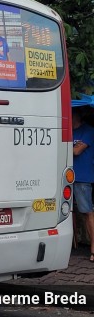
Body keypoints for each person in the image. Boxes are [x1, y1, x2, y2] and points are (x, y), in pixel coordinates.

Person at [72, 108, 94, 262]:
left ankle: (93, 249)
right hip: (65, 177)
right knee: (68, 213)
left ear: (78, 115)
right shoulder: (66, 130)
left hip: (82, 178)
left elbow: (77, 151)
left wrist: (70, 147)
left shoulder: (88, 131)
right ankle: (71, 246)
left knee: (87, 212)